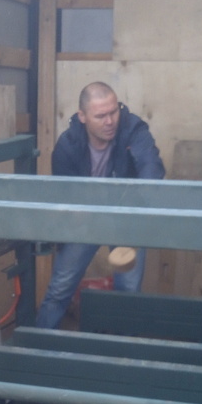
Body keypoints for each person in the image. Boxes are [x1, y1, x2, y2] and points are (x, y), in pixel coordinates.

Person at [34, 81, 165, 330]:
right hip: (85, 219)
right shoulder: (67, 145)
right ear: (82, 116)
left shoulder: (133, 129)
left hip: (126, 217)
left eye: (114, 112)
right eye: (100, 116)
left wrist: (141, 207)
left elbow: (151, 168)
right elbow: (65, 197)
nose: (110, 121)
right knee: (59, 289)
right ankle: (37, 345)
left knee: (129, 293)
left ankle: (122, 350)